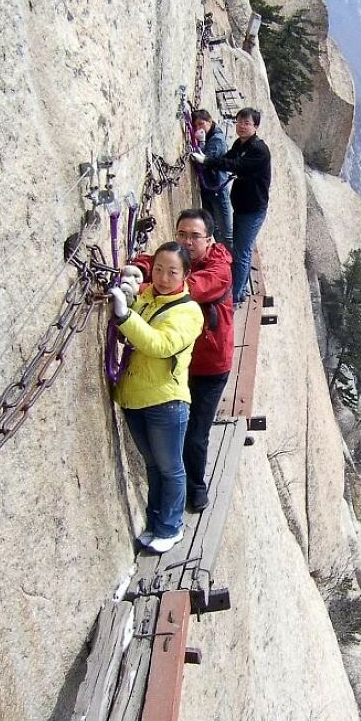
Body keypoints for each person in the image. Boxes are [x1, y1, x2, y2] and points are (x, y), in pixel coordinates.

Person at [121, 209, 234, 512]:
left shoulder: (219, 270)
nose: (187, 240)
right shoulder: (179, 263)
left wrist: (141, 286)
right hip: (177, 367)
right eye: (181, 234)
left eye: (195, 236)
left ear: (209, 240)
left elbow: (186, 287)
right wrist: (138, 266)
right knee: (176, 438)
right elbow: (160, 262)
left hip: (208, 367)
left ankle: (196, 492)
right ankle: (177, 494)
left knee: (195, 435)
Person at [109, 242, 204, 554]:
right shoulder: (150, 296)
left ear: (186, 275)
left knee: (170, 467)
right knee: (153, 466)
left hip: (166, 400)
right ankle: (154, 524)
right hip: (136, 396)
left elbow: (161, 345)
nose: (163, 277)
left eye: (172, 271)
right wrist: (131, 294)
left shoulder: (190, 312)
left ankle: (171, 527)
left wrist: (124, 316)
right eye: (159, 269)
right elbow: (136, 318)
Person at [201, 107, 271, 304]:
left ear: (255, 127)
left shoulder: (259, 150)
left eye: (246, 123)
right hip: (242, 206)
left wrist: (207, 160)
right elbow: (228, 159)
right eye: (239, 121)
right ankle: (236, 290)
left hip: (253, 209)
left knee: (242, 251)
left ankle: (235, 297)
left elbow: (236, 166)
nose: (241, 126)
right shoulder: (241, 144)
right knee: (240, 249)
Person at [190, 109, 232, 249]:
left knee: (226, 232)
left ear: (210, 121)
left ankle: (235, 265)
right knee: (213, 228)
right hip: (209, 188)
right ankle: (223, 257)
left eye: (202, 124)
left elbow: (207, 160)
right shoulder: (211, 136)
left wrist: (201, 143)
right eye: (196, 126)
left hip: (217, 189)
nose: (199, 128)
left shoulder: (217, 139)